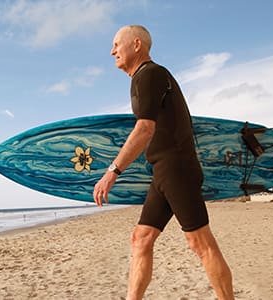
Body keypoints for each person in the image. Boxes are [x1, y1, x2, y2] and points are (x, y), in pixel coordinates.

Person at [93, 25, 235, 300]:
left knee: (200, 242)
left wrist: (112, 172)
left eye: (116, 45)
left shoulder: (150, 74)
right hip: (163, 170)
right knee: (141, 239)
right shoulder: (144, 78)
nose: (112, 51)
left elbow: (144, 129)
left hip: (176, 168)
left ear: (136, 45)